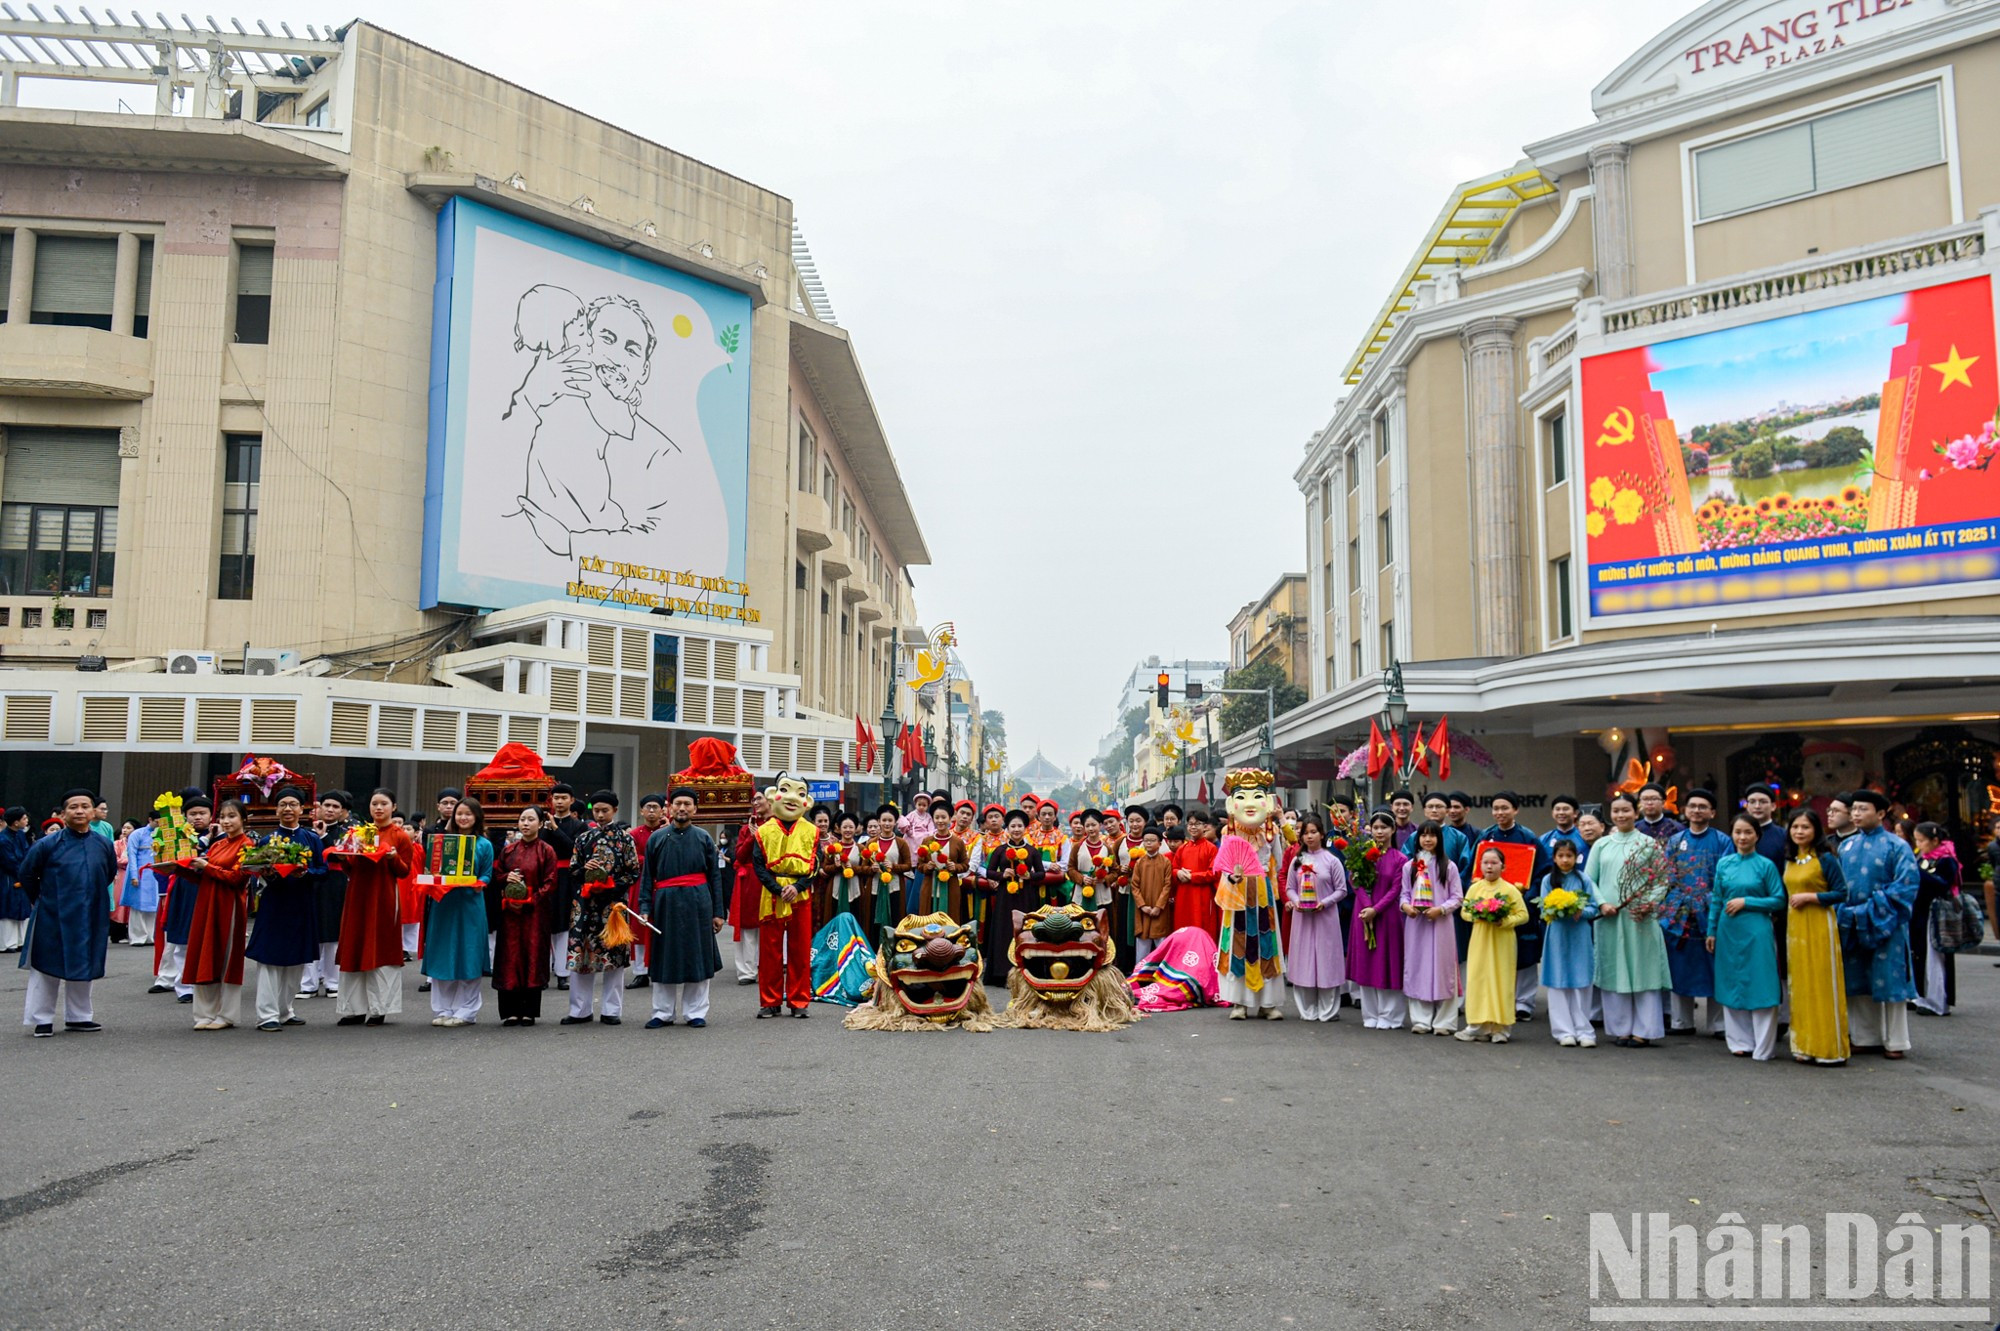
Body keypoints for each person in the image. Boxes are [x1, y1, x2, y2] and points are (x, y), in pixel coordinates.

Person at [16, 789, 118, 1036]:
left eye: (85, 806)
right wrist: (42, 899)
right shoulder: (48, 844)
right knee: (46, 966)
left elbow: (108, 873)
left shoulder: (103, 843)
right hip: (53, 913)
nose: (80, 811)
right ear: (63, 814)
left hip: (90, 913)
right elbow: (27, 875)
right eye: (73, 807)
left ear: (93, 812)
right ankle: (42, 1019)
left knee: (85, 962)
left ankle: (79, 1017)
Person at [1835, 790, 1919, 1059]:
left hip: (1887, 922)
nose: (1856, 814)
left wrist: (1873, 909)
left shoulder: (1898, 846)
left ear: (1881, 814)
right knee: (1857, 978)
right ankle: (1865, 1036)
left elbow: (1906, 886)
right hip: (1852, 922)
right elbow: (1836, 886)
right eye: (1854, 809)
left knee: (1890, 979)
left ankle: (1896, 1041)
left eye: (1863, 809)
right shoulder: (1846, 847)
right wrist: (1846, 912)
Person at [1588, 792, 1672, 1048]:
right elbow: (1589, 880)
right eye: (1616, 811)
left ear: (1636, 813)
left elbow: (1662, 879)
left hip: (1640, 919)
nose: (1621, 815)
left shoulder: (1648, 844)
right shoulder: (1601, 845)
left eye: (1626, 810)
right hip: (1610, 919)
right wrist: (1602, 903)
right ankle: (1621, 1028)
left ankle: (1644, 1030)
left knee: (1642, 970)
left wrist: (1648, 904)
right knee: (1615, 970)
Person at [644, 788, 727, 1028]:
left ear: (695, 809)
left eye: (687, 804)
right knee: (664, 956)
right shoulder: (656, 839)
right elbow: (648, 877)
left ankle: (696, 1012)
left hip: (698, 902)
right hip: (665, 904)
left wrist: (718, 912)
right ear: (669, 808)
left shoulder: (703, 838)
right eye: (678, 804)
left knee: (697, 955)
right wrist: (644, 907)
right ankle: (662, 1012)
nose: (682, 808)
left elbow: (715, 878)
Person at [334, 789, 418, 1026]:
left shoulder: (400, 836)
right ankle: (354, 1009)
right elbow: (351, 868)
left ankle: (380, 1008)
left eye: (384, 804)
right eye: (374, 804)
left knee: (380, 949)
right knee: (355, 946)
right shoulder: (358, 833)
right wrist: (343, 860)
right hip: (357, 897)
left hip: (384, 898)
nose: (378, 808)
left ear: (394, 806)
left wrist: (393, 858)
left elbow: (404, 871)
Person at [1706, 814, 1786, 1061]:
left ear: (1757, 836)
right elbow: (1717, 899)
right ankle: (1739, 1041)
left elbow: (1779, 899)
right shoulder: (1725, 864)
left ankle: (1764, 1046)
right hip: (1728, 930)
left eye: (1748, 832)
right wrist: (1711, 930)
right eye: (1738, 832)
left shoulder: (1766, 865)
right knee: (1731, 982)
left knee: (1761, 983)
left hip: (1757, 930)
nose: (1742, 837)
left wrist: (1747, 902)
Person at [244, 787, 324, 1031]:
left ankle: (285, 1010)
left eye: (293, 804)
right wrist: (266, 872)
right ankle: (266, 1015)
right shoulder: (268, 841)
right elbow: (256, 873)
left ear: (302, 809)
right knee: (269, 961)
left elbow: (323, 870)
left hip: (301, 905)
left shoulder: (312, 839)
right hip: (274, 906)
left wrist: (306, 872)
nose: (287, 809)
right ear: (276, 809)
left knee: (296, 961)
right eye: (282, 804)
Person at [564, 791, 642, 1025]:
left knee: (614, 956)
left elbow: (633, 872)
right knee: (581, 956)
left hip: (613, 904)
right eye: (596, 810)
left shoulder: (625, 839)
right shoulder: (583, 838)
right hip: (585, 904)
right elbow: (573, 870)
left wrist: (610, 886)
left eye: (604, 810)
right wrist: (585, 870)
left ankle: (611, 1010)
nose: (599, 815)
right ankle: (579, 1010)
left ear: (615, 810)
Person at [1214, 770, 1287, 1021]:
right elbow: (1222, 864)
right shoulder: (1228, 833)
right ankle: (1239, 1002)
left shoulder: (1272, 831)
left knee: (1266, 940)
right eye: (1242, 797)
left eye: (1257, 796)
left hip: (1263, 890)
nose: (1249, 803)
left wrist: (1282, 820)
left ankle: (1268, 1002)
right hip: (1238, 892)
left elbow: (1282, 856)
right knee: (1237, 942)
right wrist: (1231, 876)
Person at [1782, 808, 1849, 1066]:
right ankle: (1805, 1044)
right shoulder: (1789, 859)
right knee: (1800, 986)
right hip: (1795, 928)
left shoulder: (1826, 858)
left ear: (1816, 831)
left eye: (1805, 827)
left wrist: (1812, 897)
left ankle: (1829, 1048)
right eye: (1795, 827)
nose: (1799, 832)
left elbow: (1842, 893)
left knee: (1823, 983)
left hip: (1820, 925)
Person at [1473, 792, 1547, 1021]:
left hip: (1520, 906)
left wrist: (1527, 899)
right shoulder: (1486, 837)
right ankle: (1498, 1000)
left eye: (1505, 808)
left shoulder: (1528, 837)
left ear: (1515, 810)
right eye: (1496, 808)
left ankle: (1524, 1002)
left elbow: (1542, 872)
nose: (1499, 813)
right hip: (1489, 907)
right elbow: (1474, 871)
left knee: (1525, 955)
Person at [1661, 790, 1728, 1037]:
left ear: (1712, 812)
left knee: (1714, 966)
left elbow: (1725, 877)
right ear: (1685, 811)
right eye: (1693, 806)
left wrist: (1709, 901)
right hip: (1680, 912)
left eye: (1703, 806)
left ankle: (1718, 1024)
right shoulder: (1675, 841)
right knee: (1680, 965)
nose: (1697, 810)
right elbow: (1667, 876)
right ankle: (1681, 1021)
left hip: (1711, 911)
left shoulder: (1723, 841)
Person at [182, 799, 253, 1031]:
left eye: (232, 816)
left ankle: (226, 1014)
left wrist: (207, 867)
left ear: (243, 819)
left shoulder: (247, 845)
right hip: (207, 903)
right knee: (205, 953)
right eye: (222, 817)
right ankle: (204, 1013)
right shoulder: (217, 845)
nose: (226, 821)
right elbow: (206, 875)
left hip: (229, 906)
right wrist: (182, 869)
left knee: (226, 956)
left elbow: (238, 878)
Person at [752, 775, 819, 1020]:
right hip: (771, 894)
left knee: (800, 949)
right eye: (785, 790)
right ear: (773, 795)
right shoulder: (764, 830)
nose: (792, 798)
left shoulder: (811, 831)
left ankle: (799, 1000)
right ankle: (769, 1001)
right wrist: (778, 888)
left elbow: (815, 864)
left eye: (800, 793)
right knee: (769, 951)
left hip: (801, 895)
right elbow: (758, 865)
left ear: (807, 801)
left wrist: (799, 886)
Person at [423, 796, 493, 1027]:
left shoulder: (484, 845)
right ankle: (442, 1009)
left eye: (468, 814)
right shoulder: (442, 842)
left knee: (468, 954)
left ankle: (466, 1011)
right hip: (444, 903)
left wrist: (475, 883)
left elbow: (486, 875)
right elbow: (431, 869)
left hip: (470, 905)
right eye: (459, 813)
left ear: (477, 817)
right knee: (443, 954)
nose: (463, 817)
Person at [492, 806, 560, 1026]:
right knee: (509, 958)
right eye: (522, 819)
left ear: (541, 824)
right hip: (510, 913)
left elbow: (551, 882)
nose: (526, 823)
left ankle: (529, 1010)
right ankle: (509, 1011)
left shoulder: (547, 850)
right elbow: (498, 874)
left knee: (532, 957)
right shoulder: (508, 850)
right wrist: (506, 879)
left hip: (535, 914)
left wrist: (532, 900)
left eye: (531, 819)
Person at [1455, 845, 1529, 1044]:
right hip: (1480, 939)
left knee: (1501, 980)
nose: (1489, 867)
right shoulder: (1475, 888)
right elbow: (1464, 912)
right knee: (1478, 979)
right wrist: (1478, 915)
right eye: (1485, 863)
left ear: (1502, 866)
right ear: (1480, 865)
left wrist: (1503, 921)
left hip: (1502, 940)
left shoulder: (1509, 889)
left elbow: (1523, 915)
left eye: (1494, 863)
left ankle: (1501, 1028)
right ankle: (1477, 1025)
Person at [1399, 819, 1463, 1035]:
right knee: (1418, 967)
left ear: (1439, 839)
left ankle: (1444, 1021)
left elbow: (1457, 897)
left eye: (1432, 835)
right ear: (1417, 839)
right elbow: (1404, 893)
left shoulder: (1449, 866)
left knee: (1443, 968)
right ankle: (1421, 1019)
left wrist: (1441, 910)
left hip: (1441, 925)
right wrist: (1406, 906)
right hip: (1416, 924)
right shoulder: (1409, 866)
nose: (1427, 839)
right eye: (1423, 835)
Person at [1282, 817, 1348, 1022]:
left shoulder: (1332, 860)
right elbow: (1290, 887)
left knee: (1327, 960)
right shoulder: (1297, 860)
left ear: (1322, 834)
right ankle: (1307, 1009)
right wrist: (1296, 901)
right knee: (1304, 961)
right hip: (1302, 918)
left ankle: (1328, 1010)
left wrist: (1325, 903)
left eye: (1313, 832)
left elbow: (1342, 889)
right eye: (1305, 833)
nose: (1309, 836)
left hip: (1326, 918)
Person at [1536, 838, 1599, 1048]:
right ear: (1554, 858)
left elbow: (1594, 908)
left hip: (1580, 934)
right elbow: (1544, 909)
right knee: (1558, 981)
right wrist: (1556, 909)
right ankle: (1563, 1031)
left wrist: (1580, 912)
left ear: (1576, 858)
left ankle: (1584, 1030)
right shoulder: (1548, 880)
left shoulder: (1584, 879)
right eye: (1561, 856)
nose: (1565, 860)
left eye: (1569, 856)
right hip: (1557, 936)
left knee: (1581, 981)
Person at [1347, 812, 1407, 1030]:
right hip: (1363, 914)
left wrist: (1376, 909)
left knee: (1387, 963)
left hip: (1388, 916)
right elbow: (1355, 881)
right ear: (1369, 830)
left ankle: (1391, 1015)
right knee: (1367, 963)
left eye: (1384, 827)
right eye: (1376, 827)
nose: (1380, 831)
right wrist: (1367, 906)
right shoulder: (1362, 854)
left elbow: (1396, 888)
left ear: (1393, 830)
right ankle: (1370, 1013)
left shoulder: (1400, 859)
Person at [154, 793, 211, 1002]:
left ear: (211, 816)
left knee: (206, 938)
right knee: (182, 940)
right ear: (184, 816)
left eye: (202, 813)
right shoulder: (174, 835)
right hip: (184, 889)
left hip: (208, 889)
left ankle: (205, 983)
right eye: (192, 814)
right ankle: (184, 986)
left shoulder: (220, 836)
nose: (197, 818)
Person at [301, 790, 354, 1002]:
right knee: (311, 932)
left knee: (332, 935)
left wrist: (323, 836)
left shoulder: (346, 832)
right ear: (319, 807)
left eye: (335, 807)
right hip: (312, 883)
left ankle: (333, 982)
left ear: (342, 811)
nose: (330, 810)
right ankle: (308, 984)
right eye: (327, 805)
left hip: (335, 884)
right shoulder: (306, 832)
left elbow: (339, 853)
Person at [1910, 821, 1960, 1017]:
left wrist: (1920, 874)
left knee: (1935, 957)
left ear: (1935, 840)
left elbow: (1943, 885)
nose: (1918, 844)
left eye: (1921, 840)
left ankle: (1937, 1000)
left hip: (1936, 913)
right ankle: (1919, 996)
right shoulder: (1921, 858)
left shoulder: (1947, 860)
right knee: (1919, 954)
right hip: (1920, 911)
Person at [545, 783, 584, 992]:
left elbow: (575, 850)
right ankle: (542, 973)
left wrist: (556, 829)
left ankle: (562, 973)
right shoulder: (542, 824)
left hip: (568, 877)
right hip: (546, 876)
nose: (559, 802)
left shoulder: (579, 826)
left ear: (571, 800)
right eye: (556, 798)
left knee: (563, 926)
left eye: (563, 798)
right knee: (544, 924)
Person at [729, 791, 770, 985]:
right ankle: (746, 971)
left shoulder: (777, 825)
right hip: (749, 880)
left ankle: (768, 967)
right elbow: (740, 856)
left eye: (759, 798)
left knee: (769, 924)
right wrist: (752, 836)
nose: (756, 802)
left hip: (770, 879)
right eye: (754, 800)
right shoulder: (747, 828)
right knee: (747, 927)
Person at [1169, 807, 1221, 938]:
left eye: (1197, 824)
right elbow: (1174, 869)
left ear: (1205, 826)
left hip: (1203, 894)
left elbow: (1214, 873)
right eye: (1191, 824)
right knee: (1183, 925)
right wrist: (1178, 873)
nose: (1193, 827)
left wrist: (1192, 877)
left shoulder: (1211, 849)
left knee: (1202, 926)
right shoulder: (1182, 848)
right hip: (1183, 894)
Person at [1128, 823, 1175, 959]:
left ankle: (1161, 974)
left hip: (1160, 910)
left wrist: (1159, 907)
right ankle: (1140, 975)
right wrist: (1143, 906)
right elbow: (1134, 886)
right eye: (1146, 840)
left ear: (1160, 843)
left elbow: (1167, 885)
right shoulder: (1139, 862)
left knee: (1161, 942)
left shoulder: (1165, 862)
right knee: (1142, 943)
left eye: (1152, 840)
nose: (1149, 843)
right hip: (1143, 910)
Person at [120, 807, 158, 947]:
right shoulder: (137, 834)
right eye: (157, 821)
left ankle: (151, 936)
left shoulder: (161, 834)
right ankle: (137, 937)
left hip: (155, 873)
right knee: (138, 906)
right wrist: (134, 876)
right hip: (141, 872)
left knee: (154, 906)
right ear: (150, 820)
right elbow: (132, 856)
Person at [1420, 793, 1474, 887]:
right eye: (1430, 806)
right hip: (1421, 889)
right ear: (1424, 810)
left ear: (1447, 811)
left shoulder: (1459, 837)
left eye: (1439, 806)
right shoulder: (1415, 836)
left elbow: (1466, 866)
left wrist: (1454, 884)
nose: (1434, 810)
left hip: (1451, 889)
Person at [0, 807, 32, 954]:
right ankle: (7, 943)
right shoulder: (3, 840)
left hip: (21, 874)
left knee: (22, 908)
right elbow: (10, 862)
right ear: (15, 822)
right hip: (8, 877)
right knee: (8, 908)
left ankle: (21, 941)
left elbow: (27, 852)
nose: (26, 821)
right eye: (24, 819)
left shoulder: (20, 835)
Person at [1742, 785, 1789, 870]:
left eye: (1763, 802)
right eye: (1752, 802)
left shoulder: (1783, 835)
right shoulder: (1739, 836)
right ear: (1747, 806)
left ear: (1773, 806)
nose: (1757, 806)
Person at [1539, 797, 1586, 861]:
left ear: (1575, 813)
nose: (1561, 813)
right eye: (1557, 809)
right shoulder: (1544, 839)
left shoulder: (1584, 837)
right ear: (1552, 813)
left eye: (1565, 809)